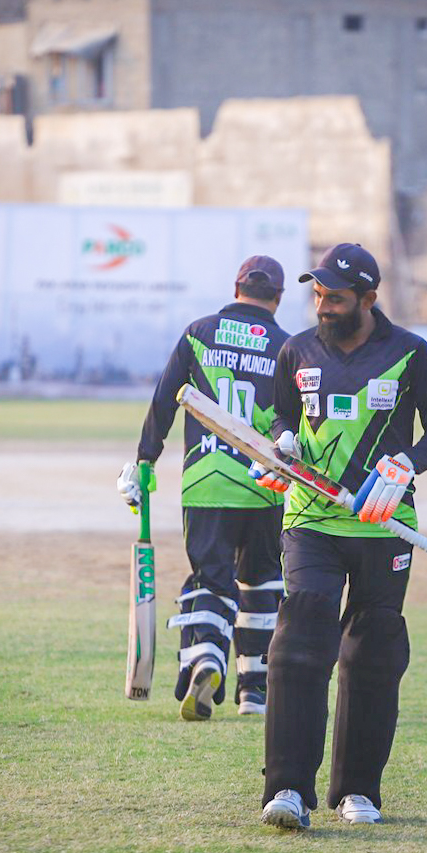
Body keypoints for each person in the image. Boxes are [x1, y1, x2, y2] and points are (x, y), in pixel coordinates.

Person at [251, 243, 427, 829]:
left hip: (382, 522)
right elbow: (281, 417)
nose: (323, 306)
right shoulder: (296, 349)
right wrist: (284, 442)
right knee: (301, 636)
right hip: (311, 518)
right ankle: (287, 789)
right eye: (317, 294)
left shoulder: (410, 352)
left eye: (335, 297)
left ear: (368, 298)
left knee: (372, 652)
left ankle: (358, 791)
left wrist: (407, 464)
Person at [117, 255, 291, 721]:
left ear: (235, 289)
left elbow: (164, 400)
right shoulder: (286, 346)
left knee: (211, 579)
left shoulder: (198, 332)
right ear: (278, 297)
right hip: (264, 484)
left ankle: (207, 658)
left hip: (206, 481)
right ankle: (254, 692)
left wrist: (145, 460)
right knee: (261, 582)